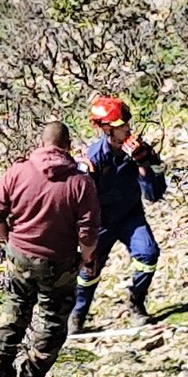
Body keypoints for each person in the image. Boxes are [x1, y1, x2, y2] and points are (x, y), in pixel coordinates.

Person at [0, 120, 101, 377]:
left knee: (14, 309)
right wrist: (87, 258)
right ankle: (31, 375)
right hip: (59, 263)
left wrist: (8, 240)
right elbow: (88, 230)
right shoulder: (80, 183)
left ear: (40, 144)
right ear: (69, 147)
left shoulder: (17, 172)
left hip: (20, 255)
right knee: (53, 319)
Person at [72, 95, 168, 329]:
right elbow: (79, 202)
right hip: (100, 222)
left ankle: (136, 302)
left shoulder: (141, 150)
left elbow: (154, 194)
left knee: (148, 254)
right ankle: (76, 316)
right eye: (119, 126)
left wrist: (143, 164)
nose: (126, 129)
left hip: (130, 216)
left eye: (126, 123)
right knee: (88, 271)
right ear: (105, 129)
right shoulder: (92, 160)